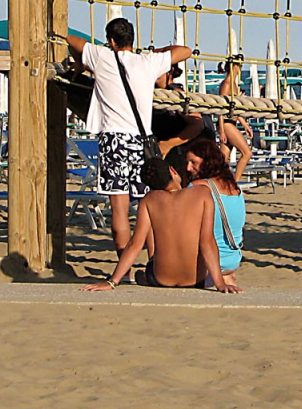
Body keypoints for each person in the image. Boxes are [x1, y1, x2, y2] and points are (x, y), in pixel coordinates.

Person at [66, 19, 199, 263]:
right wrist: (157, 53)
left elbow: (71, 39)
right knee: (146, 205)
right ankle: (153, 262)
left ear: (111, 41)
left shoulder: (102, 56)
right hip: (140, 141)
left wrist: (78, 62)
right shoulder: (146, 62)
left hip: (113, 140)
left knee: (119, 208)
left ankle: (124, 267)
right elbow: (185, 51)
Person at [81, 144, 240, 293]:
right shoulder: (202, 194)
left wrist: (112, 281)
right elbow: (207, 242)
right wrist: (219, 283)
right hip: (195, 279)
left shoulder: (149, 200)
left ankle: (145, 272)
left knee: (146, 260)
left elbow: (135, 244)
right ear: (172, 171)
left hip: (162, 279)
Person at [184, 135, 245, 289]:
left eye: (193, 162)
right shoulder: (234, 188)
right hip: (233, 259)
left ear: (207, 162)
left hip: (211, 262)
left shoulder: (198, 187)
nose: (188, 168)